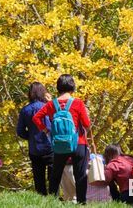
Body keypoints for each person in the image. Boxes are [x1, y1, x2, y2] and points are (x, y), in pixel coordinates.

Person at [33, 74, 91, 204]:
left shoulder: (52, 104)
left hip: (59, 144)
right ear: (72, 86)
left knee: (56, 175)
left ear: (58, 87)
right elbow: (86, 124)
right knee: (80, 174)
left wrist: (46, 130)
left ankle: (52, 201)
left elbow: (36, 118)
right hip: (78, 143)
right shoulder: (78, 103)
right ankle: (82, 203)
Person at [17, 82, 53, 195]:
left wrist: (31, 137)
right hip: (50, 146)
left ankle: (41, 201)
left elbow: (20, 131)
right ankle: (54, 200)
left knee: (38, 179)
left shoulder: (25, 110)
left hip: (35, 149)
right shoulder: (48, 107)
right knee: (53, 178)